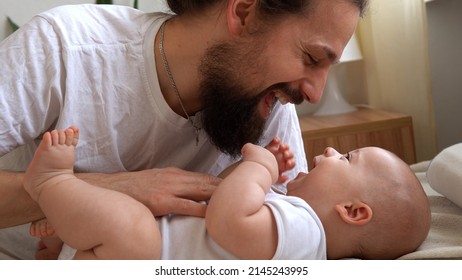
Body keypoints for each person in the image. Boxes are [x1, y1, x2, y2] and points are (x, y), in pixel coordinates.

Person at [0, 0, 368, 259]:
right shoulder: (64, 48)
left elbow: (290, 238)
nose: (315, 92)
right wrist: (111, 191)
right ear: (243, 11)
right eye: (312, 58)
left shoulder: (267, 105)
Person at [25, 126, 430, 260]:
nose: (327, 151)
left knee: (132, 224)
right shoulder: (289, 224)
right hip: (127, 256)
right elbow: (225, 197)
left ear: (352, 211)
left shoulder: (307, 234)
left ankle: (50, 184)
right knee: (130, 221)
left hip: (142, 257)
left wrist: (259, 167)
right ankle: (60, 238)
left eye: (345, 157)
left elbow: (226, 219)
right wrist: (252, 174)